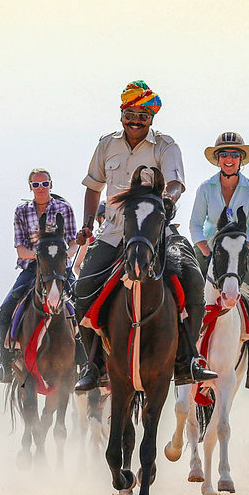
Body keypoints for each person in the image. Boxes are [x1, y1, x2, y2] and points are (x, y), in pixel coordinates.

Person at [72, 80, 216, 391]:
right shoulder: (106, 144)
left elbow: (176, 183)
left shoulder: (166, 145)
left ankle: (188, 358)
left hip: (155, 232)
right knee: (81, 290)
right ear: (122, 113)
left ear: (151, 118)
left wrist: (168, 199)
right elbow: (93, 186)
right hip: (113, 233)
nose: (136, 120)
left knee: (192, 277)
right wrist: (87, 224)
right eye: (131, 114)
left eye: (143, 115)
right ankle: (94, 365)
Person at [190, 132, 249, 394]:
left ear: (241, 160)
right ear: (217, 159)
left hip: (239, 253)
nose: (229, 159)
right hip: (208, 251)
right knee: (183, 299)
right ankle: (181, 359)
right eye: (225, 154)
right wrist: (206, 249)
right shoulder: (206, 188)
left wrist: (241, 251)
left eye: (234, 155)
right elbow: (195, 224)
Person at [0, 168, 78, 382]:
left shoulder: (64, 208)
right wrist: (41, 257)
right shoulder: (21, 211)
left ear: (51, 184)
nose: (41, 188)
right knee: (7, 306)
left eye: (44, 184)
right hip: (33, 268)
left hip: (60, 269)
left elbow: (73, 243)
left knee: (81, 304)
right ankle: (6, 362)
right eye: (36, 184)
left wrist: (59, 257)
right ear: (30, 187)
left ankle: (87, 362)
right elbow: (21, 249)